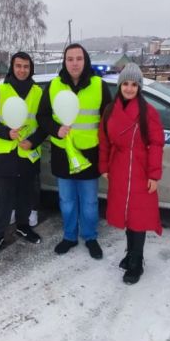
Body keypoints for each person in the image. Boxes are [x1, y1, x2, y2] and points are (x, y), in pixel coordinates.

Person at [37, 43, 112, 259]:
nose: (74, 63)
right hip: (63, 154)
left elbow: (108, 120)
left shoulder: (99, 85)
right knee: (67, 201)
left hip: (90, 154)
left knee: (89, 202)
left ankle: (90, 237)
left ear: (85, 60)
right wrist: (55, 129)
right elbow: (42, 117)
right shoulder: (54, 86)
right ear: (64, 62)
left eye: (79, 58)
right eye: (70, 59)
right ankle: (70, 236)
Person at [98, 63, 164, 284]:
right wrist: (104, 167)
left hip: (140, 170)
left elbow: (156, 143)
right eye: (125, 83)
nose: (128, 88)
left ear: (139, 87)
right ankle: (130, 253)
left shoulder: (148, 112)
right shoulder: (110, 110)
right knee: (126, 215)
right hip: (118, 168)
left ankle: (137, 261)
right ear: (119, 85)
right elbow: (104, 141)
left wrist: (154, 175)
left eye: (133, 84)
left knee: (138, 217)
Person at [0, 52, 46, 258]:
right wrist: (6, 133)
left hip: (28, 153)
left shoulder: (38, 92)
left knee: (26, 196)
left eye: (26, 66)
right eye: (18, 66)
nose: (22, 70)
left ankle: (22, 226)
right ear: (12, 67)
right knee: (4, 200)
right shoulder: (0, 91)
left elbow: (44, 124)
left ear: (31, 68)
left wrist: (33, 141)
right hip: (5, 155)